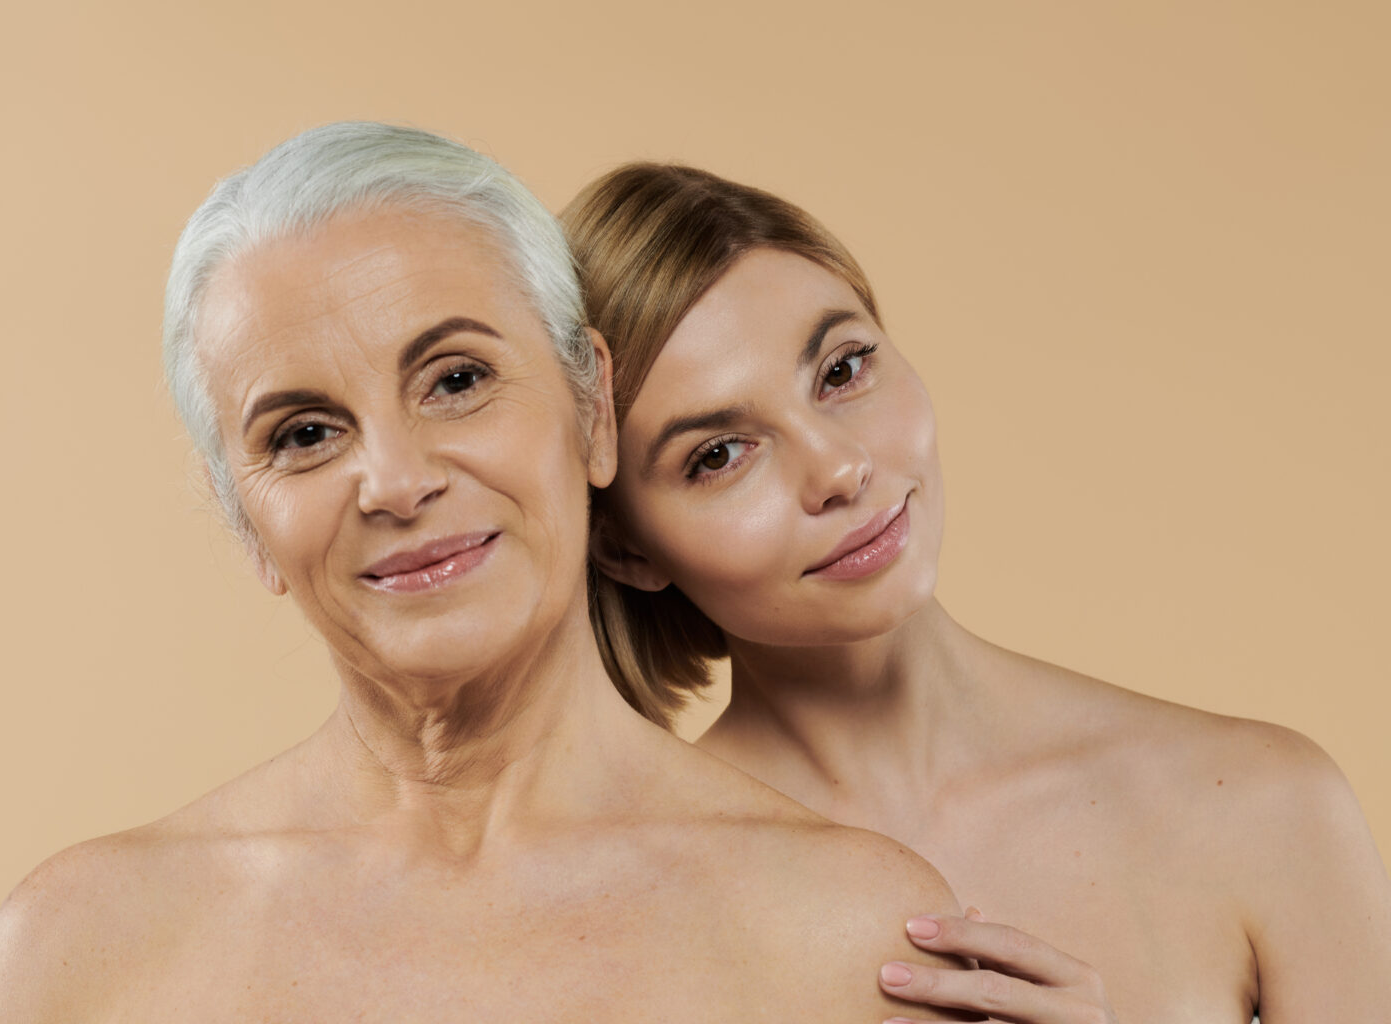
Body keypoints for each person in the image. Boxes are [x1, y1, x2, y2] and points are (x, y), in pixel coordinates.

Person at [0, 124, 973, 1023]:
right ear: (246, 522)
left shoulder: (858, 935)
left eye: (457, 380)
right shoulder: (79, 946)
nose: (395, 483)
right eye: (305, 433)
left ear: (591, 408)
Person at [562, 162, 1391, 1023]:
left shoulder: (1264, 808)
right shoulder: (626, 919)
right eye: (720, 455)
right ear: (623, 548)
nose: (840, 469)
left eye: (843, 370)